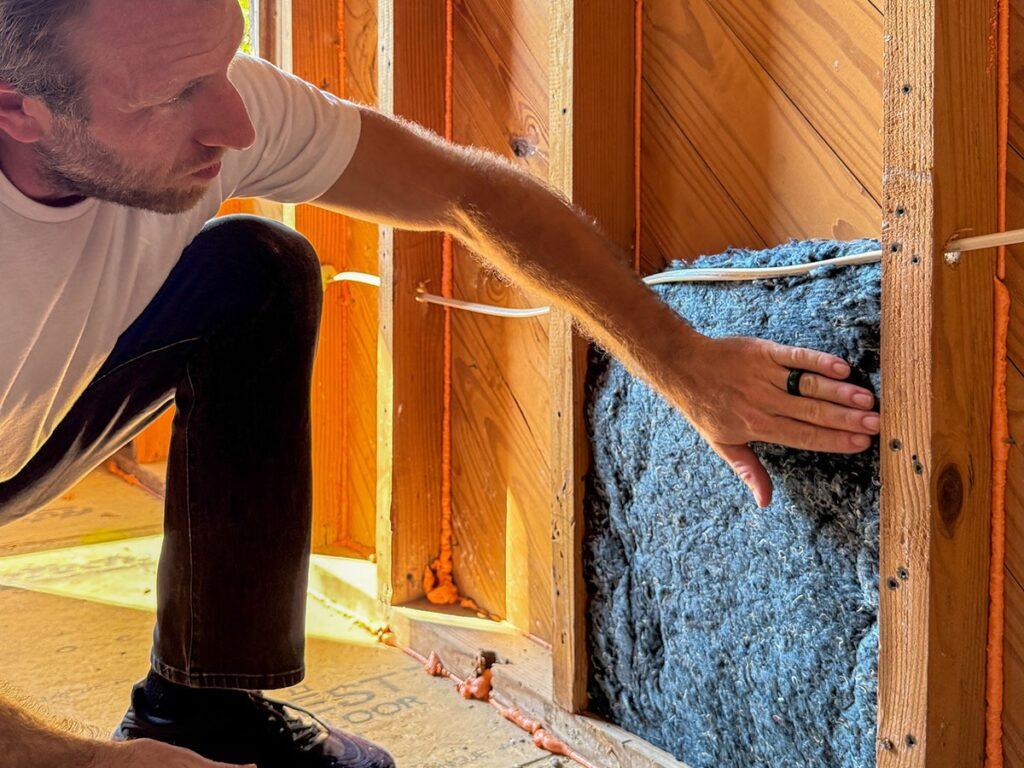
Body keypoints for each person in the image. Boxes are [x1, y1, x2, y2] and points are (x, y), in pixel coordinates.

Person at [0, 0, 880, 765]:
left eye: (223, 61)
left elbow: (468, 193)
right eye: (171, 96)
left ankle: (206, 710)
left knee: (258, 270)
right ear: (17, 108)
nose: (232, 123)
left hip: (31, 418)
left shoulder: (228, 104)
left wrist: (683, 363)